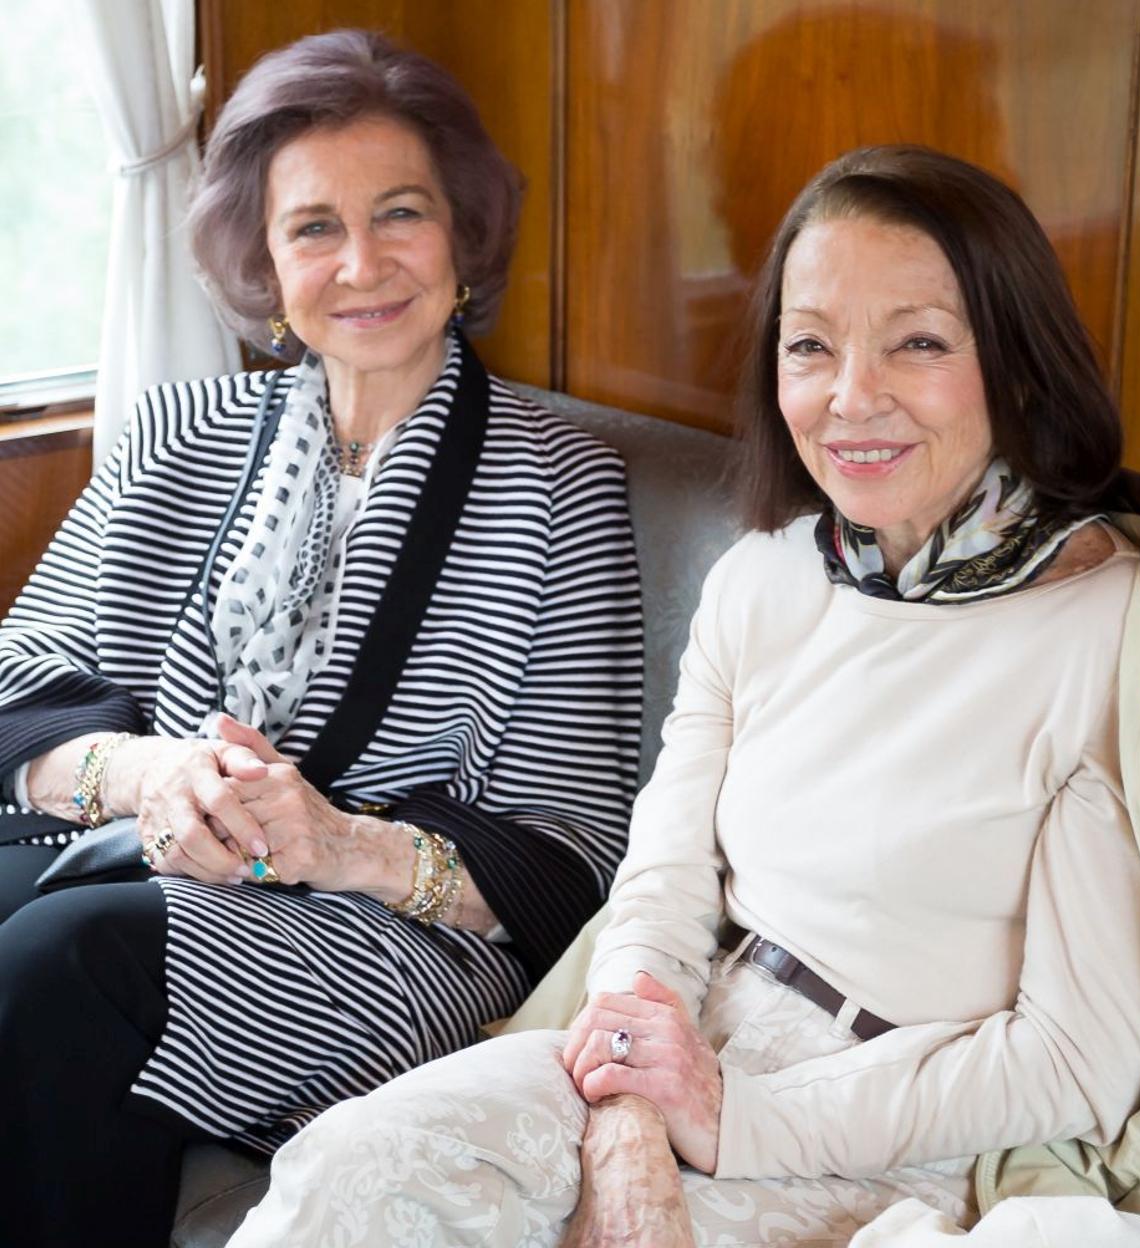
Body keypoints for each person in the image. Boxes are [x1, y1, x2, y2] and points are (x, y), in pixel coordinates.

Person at [225, 143, 1140, 1247]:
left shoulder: (1118, 639)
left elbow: (1075, 1062)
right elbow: (661, 883)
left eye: (917, 343)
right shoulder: (762, 578)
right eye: (811, 346)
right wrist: (629, 1117)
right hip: (676, 1033)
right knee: (349, 1174)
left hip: (902, 1127)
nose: (851, 398)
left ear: (1017, 361)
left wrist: (731, 1120)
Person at [0, 29, 642, 1248]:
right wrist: (153, 774)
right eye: (313, 228)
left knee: (61, 965)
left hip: (390, 929)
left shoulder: (559, 482)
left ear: (462, 235)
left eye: (400, 213)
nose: (361, 264)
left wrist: (337, 842)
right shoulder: (178, 432)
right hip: (133, 854)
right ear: (264, 258)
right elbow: (16, 685)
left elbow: (571, 852)